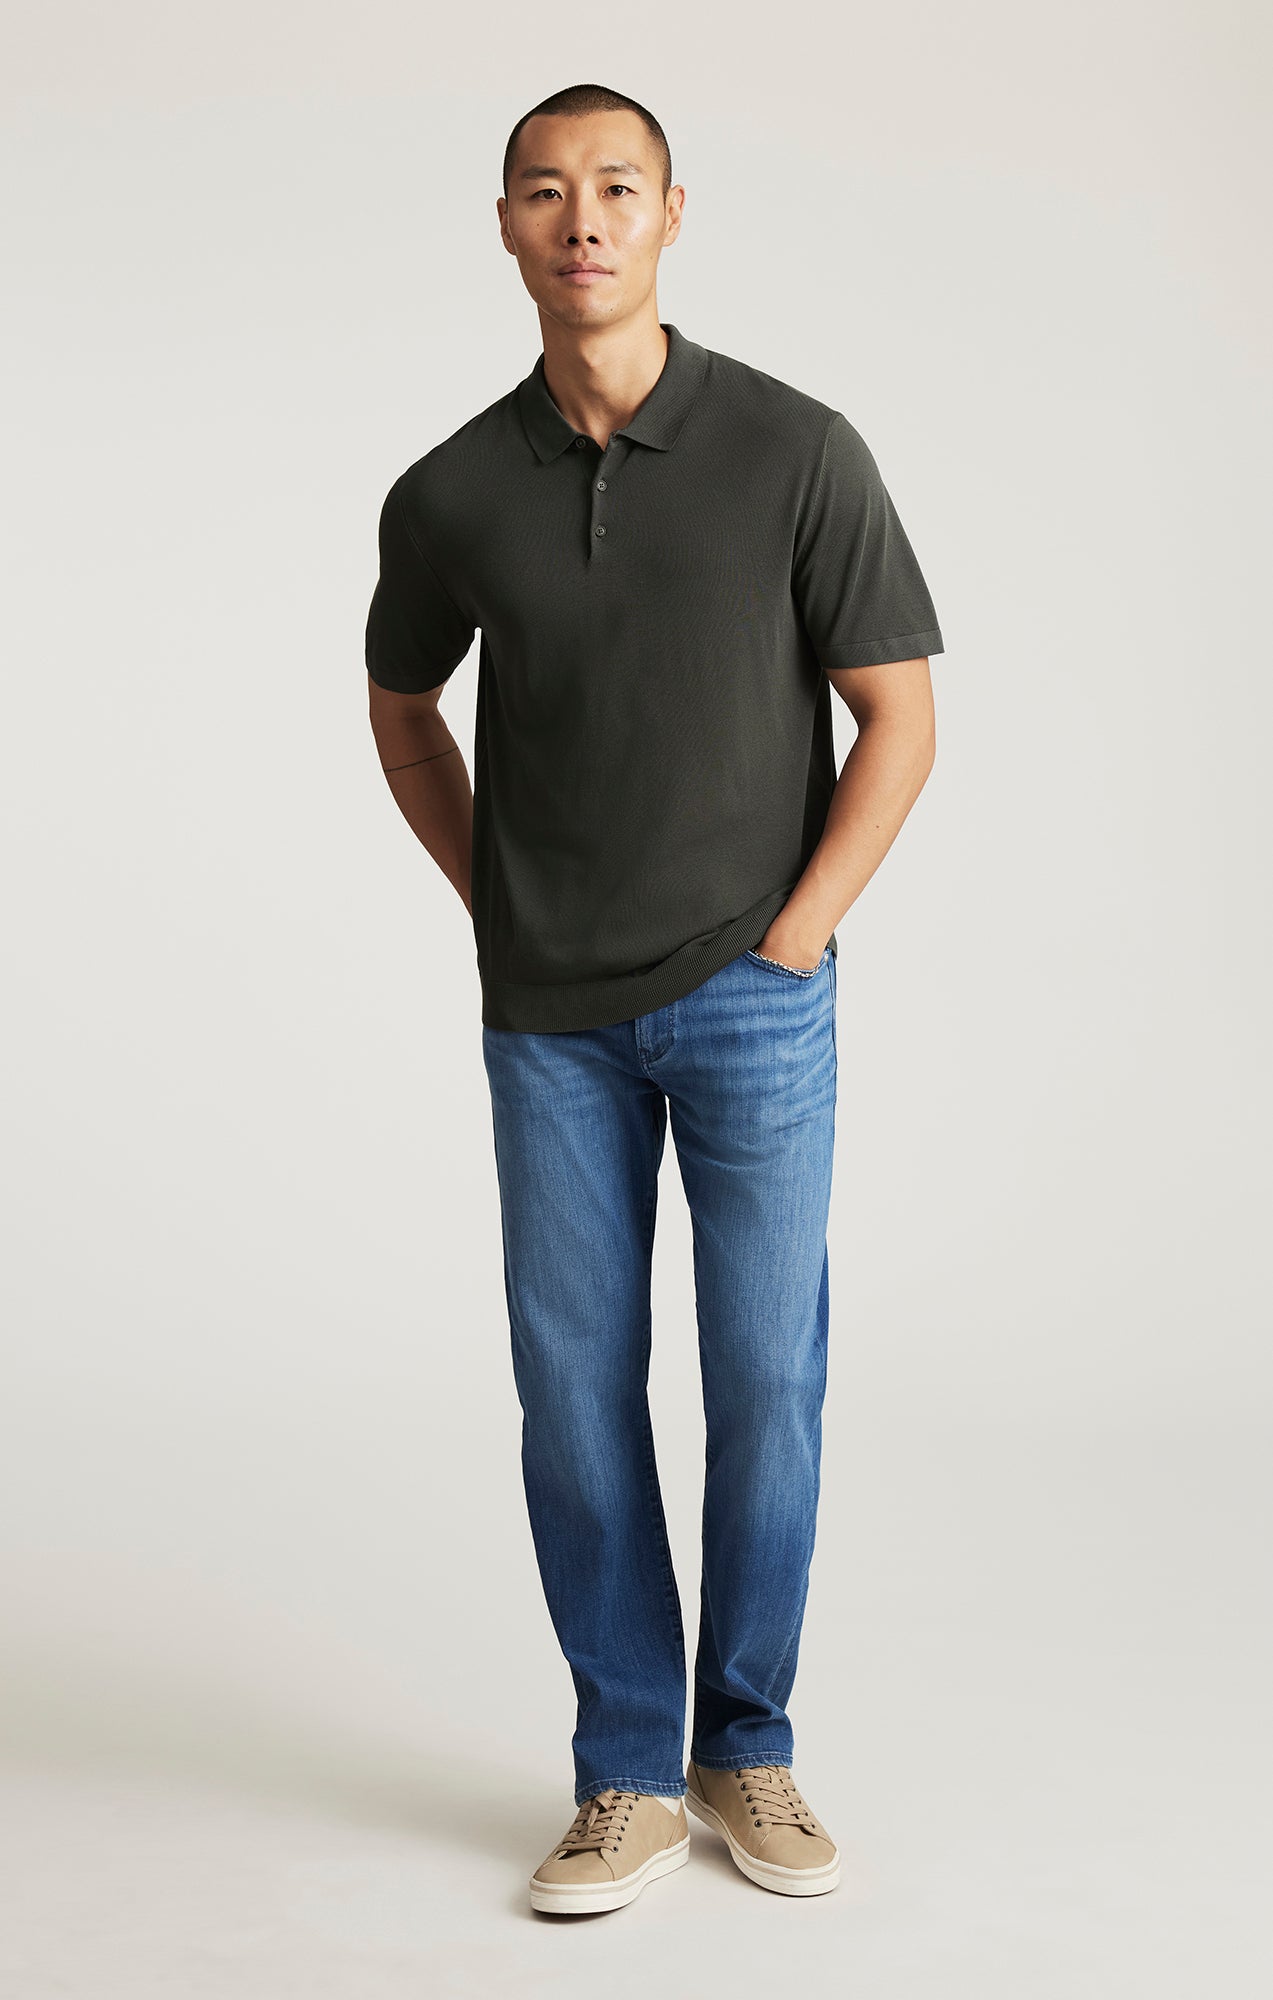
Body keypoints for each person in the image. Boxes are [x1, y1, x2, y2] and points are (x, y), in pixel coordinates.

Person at [364, 81, 944, 1917]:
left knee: (766, 1381)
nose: (583, 219)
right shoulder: (450, 490)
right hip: (548, 1021)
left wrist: (798, 934)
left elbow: (899, 715)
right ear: (507, 224)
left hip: (755, 999)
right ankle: (623, 1768)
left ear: (672, 214)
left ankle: (744, 1746)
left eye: (617, 186)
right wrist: (498, 897)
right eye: (546, 191)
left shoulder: (796, 450)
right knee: (571, 1389)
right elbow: (402, 709)